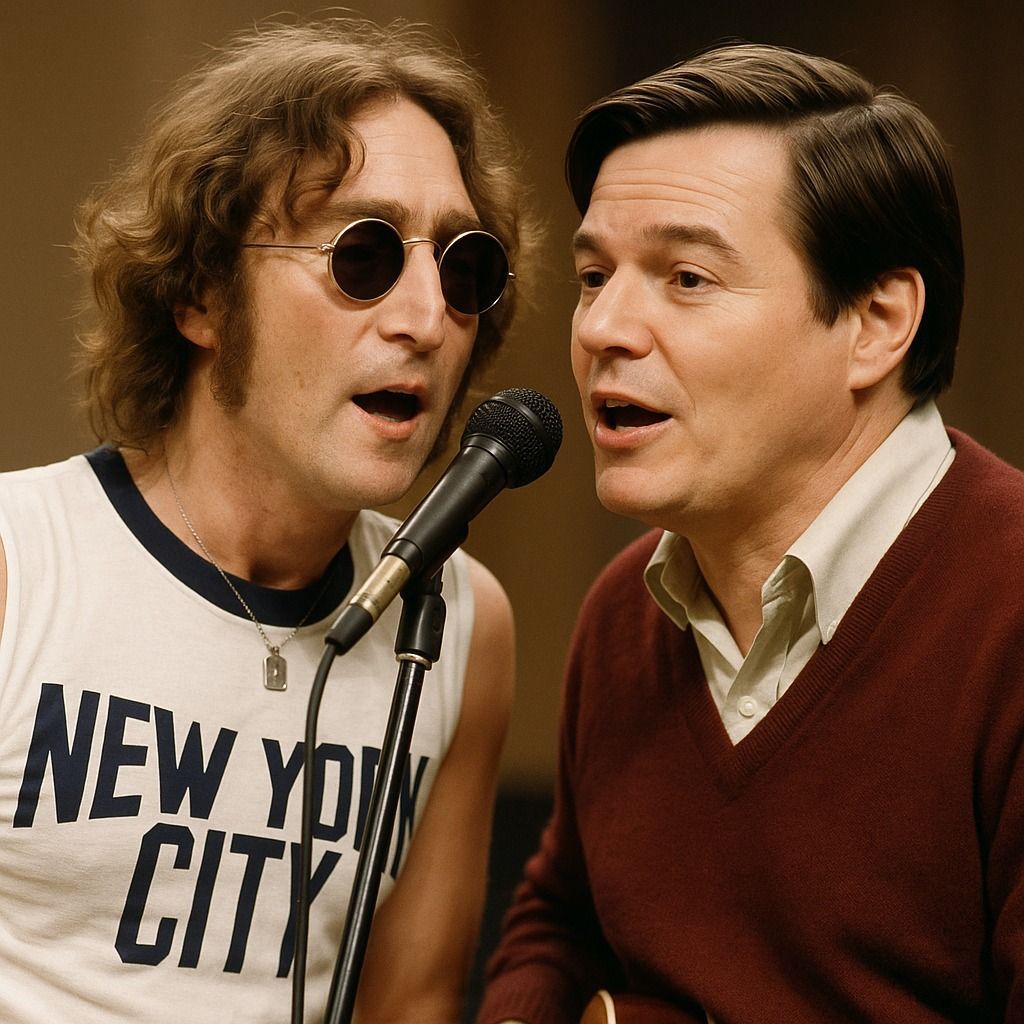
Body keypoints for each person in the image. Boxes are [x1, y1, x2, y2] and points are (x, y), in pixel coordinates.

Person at [477, 41, 1024, 1024]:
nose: (602, 328)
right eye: (595, 275)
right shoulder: (623, 615)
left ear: (876, 321)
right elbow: (559, 920)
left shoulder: (1007, 606)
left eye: (686, 277)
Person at [0, 17, 533, 1024]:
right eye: (363, 255)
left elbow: (407, 1008)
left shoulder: (462, 625)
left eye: (464, 269)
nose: (427, 318)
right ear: (202, 294)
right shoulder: (19, 565)